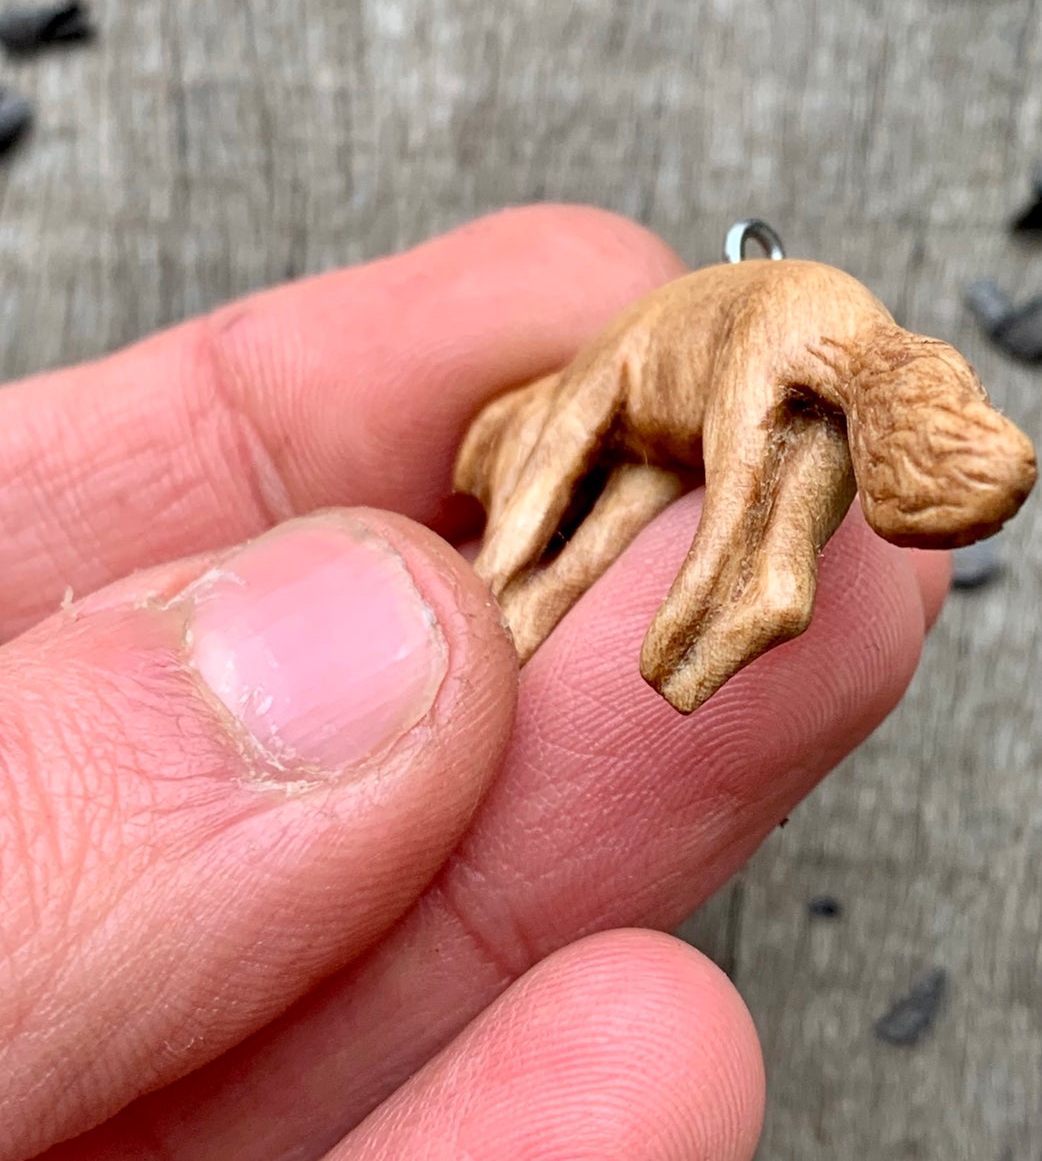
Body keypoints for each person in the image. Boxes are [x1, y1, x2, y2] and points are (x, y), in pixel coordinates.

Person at [0, 206, 949, 1159]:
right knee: (735, 541)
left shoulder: (598, 377)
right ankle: (689, 659)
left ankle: (680, 660)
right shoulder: (699, 360)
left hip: (764, 340)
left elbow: (534, 516)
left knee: (701, 526)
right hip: (795, 338)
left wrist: (496, 593)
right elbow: (611, 524)